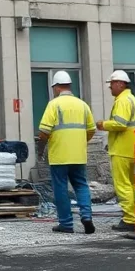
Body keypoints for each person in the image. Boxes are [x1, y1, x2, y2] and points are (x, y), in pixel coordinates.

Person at [38, 71, 96, 235]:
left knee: (61, 188)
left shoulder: (54, 105)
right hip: (78, 155)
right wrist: (80, 142)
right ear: (69, 86)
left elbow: (43, 131)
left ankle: (66, 223)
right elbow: (91, 129)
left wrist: (41, 149)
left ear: (56, 87)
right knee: (81, 185)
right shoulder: (82, 105)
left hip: (59, 156)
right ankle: (86, 216)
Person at [96, 70, 135, 231]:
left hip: (122, 149)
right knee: (134, 185)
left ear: (120, 84)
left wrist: (103, 124)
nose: (110, 88)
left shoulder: (122, 101)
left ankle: (130, 219)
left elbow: (120, 124)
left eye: (112, 84)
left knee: (122, 185)